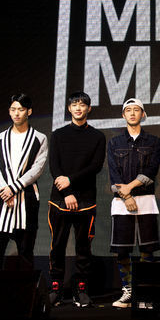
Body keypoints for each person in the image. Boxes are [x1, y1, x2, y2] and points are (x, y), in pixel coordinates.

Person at [47, 91, 106, 307]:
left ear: (89, 108)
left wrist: (70, 181)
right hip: (60, 200)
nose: (78, 108)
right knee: (57, 246)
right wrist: (67, 193)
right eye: (74, 104)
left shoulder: (97, 136)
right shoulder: (58, 135)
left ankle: (81, 290)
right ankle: (56, 289)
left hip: (86, 200)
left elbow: (95, 166)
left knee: (83, 248)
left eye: (82, 105)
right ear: (69, 108)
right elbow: (54, 166)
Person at [108, 98, 160, 309]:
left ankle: (145, 293)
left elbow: (151, 170)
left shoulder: (154, 141)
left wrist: (129, 188)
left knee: (147, 249)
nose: (132, 113)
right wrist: (127, 196)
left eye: (136, 110)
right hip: (121, 203)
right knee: (122, 250)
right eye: (128, 110)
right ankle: (128, 291)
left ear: (143, 114)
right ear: (123, 115)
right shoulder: (114, 143)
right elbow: (113, 174)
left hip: (146, 201)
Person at [0, 93, 48, 271]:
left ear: (29, 111)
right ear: (9, 111)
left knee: (26, 251)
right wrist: (4, 190)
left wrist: (13, 188)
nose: (16, 113)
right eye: (13, 109)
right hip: (1, 199)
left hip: (26, 198)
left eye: (20, 109)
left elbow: (37, 168)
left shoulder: (39, 138)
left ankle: (26, 288)